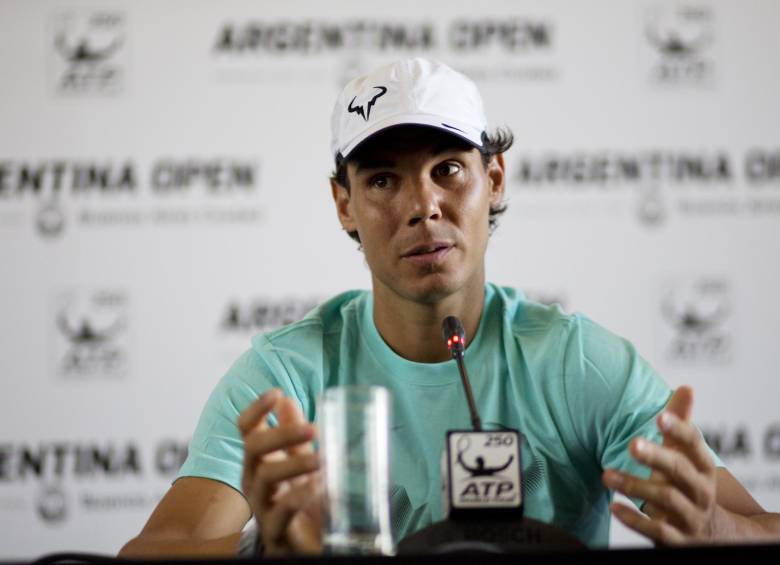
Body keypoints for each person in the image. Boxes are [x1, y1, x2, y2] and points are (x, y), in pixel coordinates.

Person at [119, 58, 780, 557]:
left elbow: (761, 528)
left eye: (448, 169)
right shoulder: (286, 376)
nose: (421, 205)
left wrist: (711, 526)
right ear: (343, 202)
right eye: (383, 178)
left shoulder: (574, 361)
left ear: (493, 180)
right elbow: (153, 549)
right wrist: (270, 548)